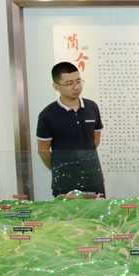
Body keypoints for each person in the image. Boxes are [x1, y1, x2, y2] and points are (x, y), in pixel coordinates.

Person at [37, 62, 105, 197]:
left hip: (93, 177)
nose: (76, 87)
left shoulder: (92, 107)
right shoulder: (48, 114)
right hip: (64, 181)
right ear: (56, 86)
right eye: (69, 84)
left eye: (78, 82)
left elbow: (95, 139)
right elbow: (43, 151)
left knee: (97, 209)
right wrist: (60, 169)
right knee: (67, 211)